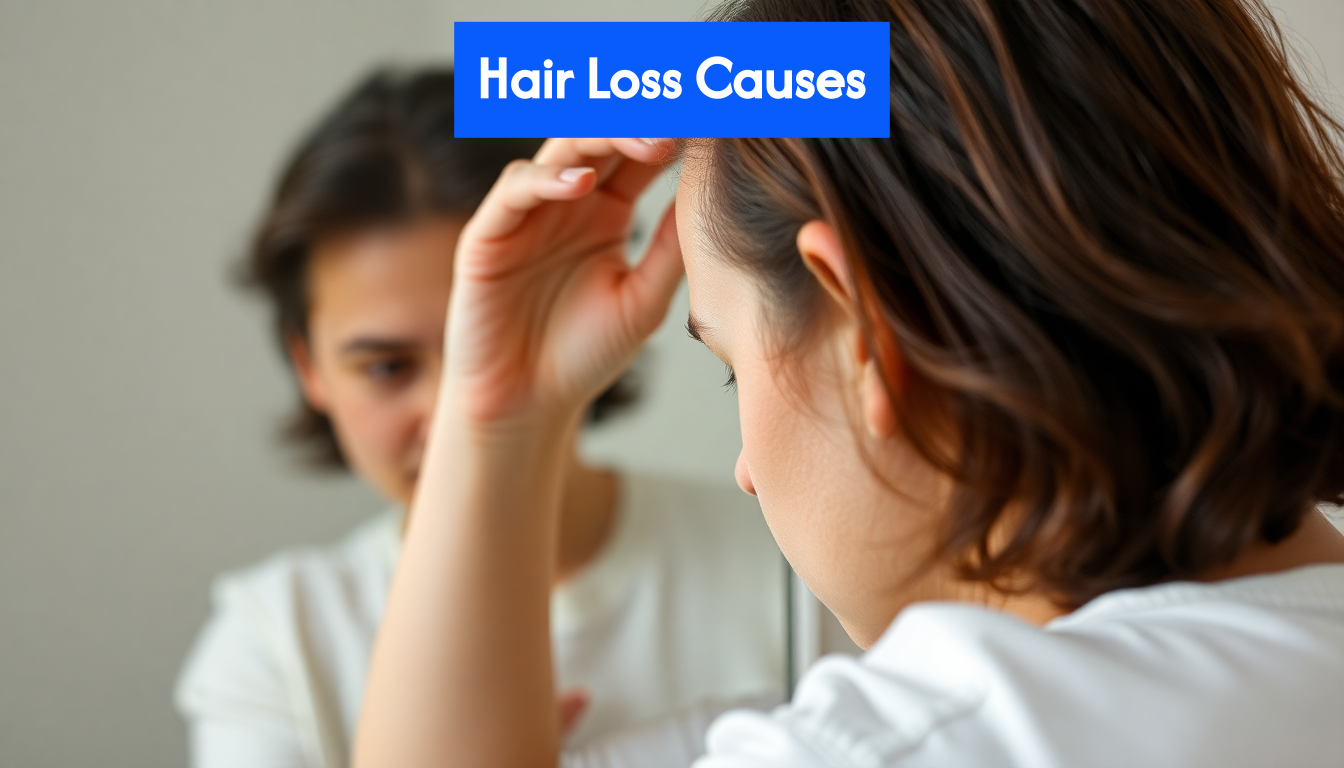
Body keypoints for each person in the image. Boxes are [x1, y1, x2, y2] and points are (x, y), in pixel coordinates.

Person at [349, 0, 1344, 766]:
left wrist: (503, 416)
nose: (744, 468)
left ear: (866, 328)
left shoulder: (916, 741)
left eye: (727, 365)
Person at [174, 69, 795, 768]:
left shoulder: (797, 559)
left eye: (487, 335)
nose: (449, 416)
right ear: (308, 365)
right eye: (387, 367)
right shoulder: (277, 641)